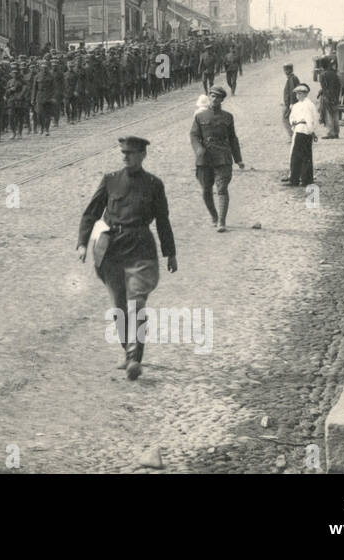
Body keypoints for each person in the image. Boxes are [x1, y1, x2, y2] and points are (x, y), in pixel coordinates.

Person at [76, 136, 177, 380]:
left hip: (141, 248)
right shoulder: (110, 181)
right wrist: (82, 243)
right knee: (119, 307)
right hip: (111, 250)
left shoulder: (154, 184)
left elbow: (163, 220)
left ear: (142, 155)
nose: (125, 157)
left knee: (137, 304)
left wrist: (170, 252)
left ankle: (134, 357)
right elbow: (91, 212)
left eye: (130, 153)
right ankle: (127, 350)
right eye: (123, 153)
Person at [189, 85, 245, 231]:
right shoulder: (200, 116)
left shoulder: (227, 117)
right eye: (212, 96)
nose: (214, 99)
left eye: (218, 97)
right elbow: (194, 135)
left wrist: (238, 158)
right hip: (204, 159)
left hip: (222, 157)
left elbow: (233, 138)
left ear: (222, 100)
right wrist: (199, 149)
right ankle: (214, 216)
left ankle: (221, 221)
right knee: (206, 190)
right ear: (209, 97)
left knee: (222, 189)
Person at [284, 84, 319, 187]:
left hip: (304, 131)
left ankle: (303, 179)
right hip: (298, 130)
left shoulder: (308, 105)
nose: (297, 96)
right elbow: (292, 117)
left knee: (302, 156)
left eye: (300, 93)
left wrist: (311, 131)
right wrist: (293, 124)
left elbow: (312, 119)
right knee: (299, 156)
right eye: (297, 94)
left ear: (305, 94)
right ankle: (299, 178)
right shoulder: (297, 105)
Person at [317, 59, 342, 139]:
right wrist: (336, 96)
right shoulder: (334, 74)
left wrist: (325, 96)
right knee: (335, 115)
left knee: (328, 115)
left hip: (327, 97)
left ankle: (330, 132)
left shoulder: (322, 75)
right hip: (335, 96)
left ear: (322, 66)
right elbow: (338, 86)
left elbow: (324, 87)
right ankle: (336, 132)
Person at [280, 63, 300, 138]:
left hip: (290, 104)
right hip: (291, 103)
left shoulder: (291, 79)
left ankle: (292, 135)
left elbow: (292, 92)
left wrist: (291, 103)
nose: (284, 72)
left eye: (285, 70)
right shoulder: (293, 78)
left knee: (285, 118)